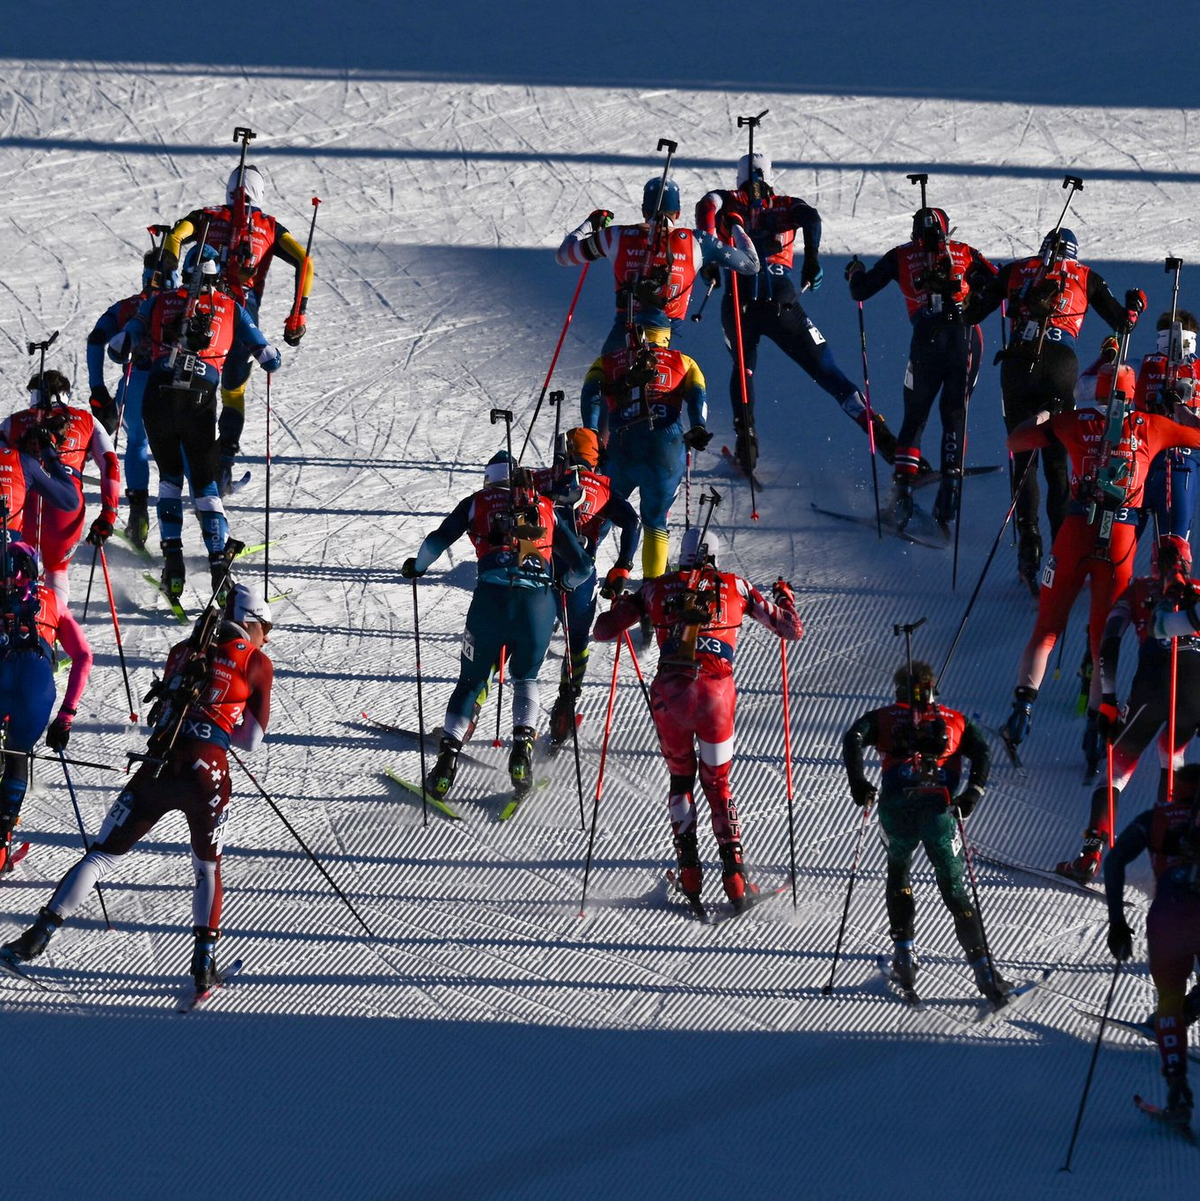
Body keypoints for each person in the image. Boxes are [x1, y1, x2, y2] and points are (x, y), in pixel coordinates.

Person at [1, 581, 273, 992]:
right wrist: (215, 731)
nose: (267, 636)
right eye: (265, 626)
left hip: (159, 766)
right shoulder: (257, 661)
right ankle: (203, 964)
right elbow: (252, 740)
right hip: (209, 773)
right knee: (206, 868)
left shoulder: (182, 651)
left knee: (102, 856)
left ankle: (35, 938)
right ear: (250, 623)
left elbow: (161, 712)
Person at [592, 526, 803, 912]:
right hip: (715, 696)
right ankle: (735, 879)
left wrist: (620, 603)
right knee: (718, 783)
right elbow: (792, 629)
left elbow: (603, 631)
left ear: (682, 555)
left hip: (670, 695)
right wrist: (784, 597)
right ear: (714, 557)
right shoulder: (735, 585)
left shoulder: (657, 588)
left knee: (681, 779)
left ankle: (690, 873)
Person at [999, 352, 1200, 756]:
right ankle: (1096, 726)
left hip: (1076, 531)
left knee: (1048, 626)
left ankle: (1022, 710)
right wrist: (1179, 408)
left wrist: (1041, 418)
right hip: (1121, 539)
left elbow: (1015, 441)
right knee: (1100, 638)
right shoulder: (1152, 427)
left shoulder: (1077, 422)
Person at [401, 452, 591, 803]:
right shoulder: (545, 506)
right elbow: (583, 567)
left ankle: (446, 763)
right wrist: (562, 584)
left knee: (472, 680)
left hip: (490, 601)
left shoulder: (477, 503)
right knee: (526, 678)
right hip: (537, 606)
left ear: (488, 479)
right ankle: (521, 752)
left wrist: (417, 567)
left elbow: (435, 542)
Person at [696, 153, 897, 474]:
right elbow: (812, 217)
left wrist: (709, 257)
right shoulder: (785, 202)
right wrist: (812, 259)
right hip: (782, 298)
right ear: (768, 175)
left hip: (739, 299)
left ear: (740, 177)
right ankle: (888, 443)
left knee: (744, 368)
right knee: (828, 371)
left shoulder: (728, 199)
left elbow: (706, 206)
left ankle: (746, 442)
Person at [966, 228, 1143, 592]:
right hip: (1060, 362)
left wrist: (981, 283)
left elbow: (972, 313)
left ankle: (1028, 551)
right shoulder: (1084, 275)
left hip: (1017, 363)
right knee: (1059, 462)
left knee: (1023, 455)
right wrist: (1135, 305)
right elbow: (1122, 322)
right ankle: (1062, 557)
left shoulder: (1019, 269)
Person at [114, 244, 281, 599]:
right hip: (200, 400)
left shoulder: (159, 300)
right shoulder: (230, 306)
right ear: (216, 274)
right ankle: (219, 566)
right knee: (204, 486)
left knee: (171, 480)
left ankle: (173, 565)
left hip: (157, 399)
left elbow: (122, 342)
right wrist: (270, 358)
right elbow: (269, 357)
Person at [842, 659, 1002, 1002]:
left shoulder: (886, 716)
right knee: (953, 885)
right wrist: (973, 792)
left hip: (896, 807)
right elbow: (983, 752)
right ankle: (984, 971)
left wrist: (859, 783)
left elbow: (852, 736)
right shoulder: (955, 720)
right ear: (933, 689)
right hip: (939, 811)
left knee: (899, 869)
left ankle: (904, 952)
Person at [163, 161, 313, 495]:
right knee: (233, 391)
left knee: (187, 383)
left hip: (198, 309)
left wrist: (169, 277)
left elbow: (174, 238)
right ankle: (223, 466)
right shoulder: (270, 225)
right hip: (242, 317)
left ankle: (176, 465)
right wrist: (297, 316)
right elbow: (305, 261)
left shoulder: (206, 215)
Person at [1058, 536, 1200, 882]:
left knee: (1117, 769)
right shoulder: (1197, 589)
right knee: (1173, 758)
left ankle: (1091, 851)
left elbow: (1109, 641)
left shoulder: (1137, 590)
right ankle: (1172, 857)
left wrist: (1107, 699)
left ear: (1153, 562)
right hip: (1194, 688)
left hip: (1151, 684)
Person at [846, 207, 998, 528]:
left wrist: (855, 271)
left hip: (927, 339)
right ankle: (949, 496)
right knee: (954, 413)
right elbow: (997, 284)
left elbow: (860, 291)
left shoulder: (900, 255)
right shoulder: (963, 251)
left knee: (915, 415)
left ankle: (901, 498)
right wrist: (971, 293)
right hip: (967, 337)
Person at [555, 177, 759, 354]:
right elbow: (751, 264)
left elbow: (564, 256)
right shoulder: (698, 241)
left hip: (625, 331)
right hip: (671, 337)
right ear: (677, 213)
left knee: (605, 385)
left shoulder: (616, 236)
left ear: (644, 210)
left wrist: (590, 224)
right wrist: (735, 226)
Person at [1104, 763, 1200, 1132]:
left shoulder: (1156, 816)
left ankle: (1177, 1090)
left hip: (1169, 916)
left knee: (1169, 1002)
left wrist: (1117, 922)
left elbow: (1114, 860)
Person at [532, 427, 640, 746]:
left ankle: (471, 710)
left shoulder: (542, 478)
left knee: (512, 637)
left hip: (538, 571)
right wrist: (623, 564)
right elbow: (632, 522)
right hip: (579, 578)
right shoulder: (603, 486)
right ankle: (566, 704)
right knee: (577, 639)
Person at [580, 332, 708, 581]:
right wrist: (698, 426)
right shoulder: (685, 361)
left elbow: (590, 395)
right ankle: (653, 588)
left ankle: (580, 569)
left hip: (621, 449)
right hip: (665, 451)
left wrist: (592, 431)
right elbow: (698, 397)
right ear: (666, 336)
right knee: (656, 521)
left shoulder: (606, 361)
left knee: (603, 510)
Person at [0, 541, 93, 873]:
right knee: (16, 756)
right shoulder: (51, 600)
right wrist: (66, 716)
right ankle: (2, 841)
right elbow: (83, 656)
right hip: (37, 680)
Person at [0, 370, 120, 606]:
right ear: (65, 394)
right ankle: (51, 630)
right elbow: (110, 463)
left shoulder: (12, 422)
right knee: (56, 570)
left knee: (16, 572)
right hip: (64, 505)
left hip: (22, 505)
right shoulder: (85, 419)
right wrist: (108, 513)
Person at [86, 250, 177, 546]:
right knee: (185, 449)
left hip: (136, 381)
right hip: (179, 384)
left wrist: (98, 387)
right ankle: (211, 524)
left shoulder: (129, 306)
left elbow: (97, 338)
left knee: (137, 443)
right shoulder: (187, 303)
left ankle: (138, 520)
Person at [1135, 310, 1200, 542]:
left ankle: (1170, 573)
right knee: (1121, 541)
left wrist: (1182, 409)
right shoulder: (1141, 363)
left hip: (1183, 459)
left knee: (1175, 542)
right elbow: (1090, 388)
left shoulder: (1198, 369)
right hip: (1143, 458)